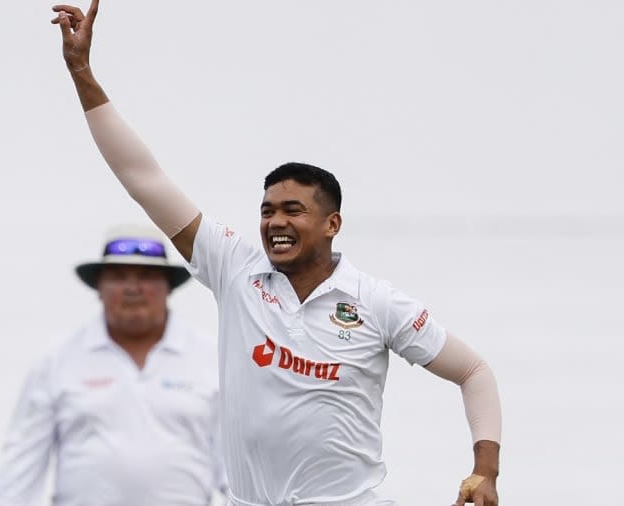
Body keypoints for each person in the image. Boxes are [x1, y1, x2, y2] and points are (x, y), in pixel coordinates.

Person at [50, 2, 503, 505]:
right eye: (267, 211)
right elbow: (143, 178)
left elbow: (473, 372)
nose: (275, 223)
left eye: (293, 211)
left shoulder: (375, 302)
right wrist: (82, 72)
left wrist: (485, 470)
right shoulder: (235, 269)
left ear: (332, 224)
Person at [0, 225, 226, 506]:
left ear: (168, 288)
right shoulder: (57, 362)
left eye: (147, 276)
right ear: (98, 288)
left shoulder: (212, 359)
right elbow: (22, 463)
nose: (132, 289)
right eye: (118, 277)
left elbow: (239, 466)